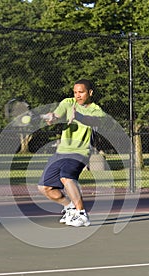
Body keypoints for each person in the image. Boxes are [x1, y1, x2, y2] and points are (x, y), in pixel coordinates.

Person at [38, 79, 106, 227]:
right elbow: (56, 115)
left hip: (80, 151)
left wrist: (79, 117)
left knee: (66, 177)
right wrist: (52, 117)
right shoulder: (68, 102)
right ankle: (70, 208)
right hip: (61, 151)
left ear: (90, 92)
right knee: (44, 188)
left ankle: (82, 214)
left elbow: (94, 121)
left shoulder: (96, 110)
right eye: (75, 92)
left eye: (81, 92)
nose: (77, 95)